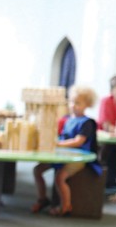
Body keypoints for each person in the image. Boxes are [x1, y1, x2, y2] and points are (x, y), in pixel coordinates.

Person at [31, 84, 101, 217]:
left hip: (78, 157)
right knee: (37, 170)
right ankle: (42, 198)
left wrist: (59, 144)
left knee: (60, 178)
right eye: (71, 101)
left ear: (87, 105)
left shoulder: (87, 122)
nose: (73, 105)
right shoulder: (67, 119)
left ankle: (66, 205)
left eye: (78, 103)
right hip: (61, 155)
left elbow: (78, 141)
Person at [96, 74, 116, 192]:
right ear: (112, 92)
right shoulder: (106, 102)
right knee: (106, 150)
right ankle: (104, 181)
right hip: (106, 138)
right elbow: (106, 125)